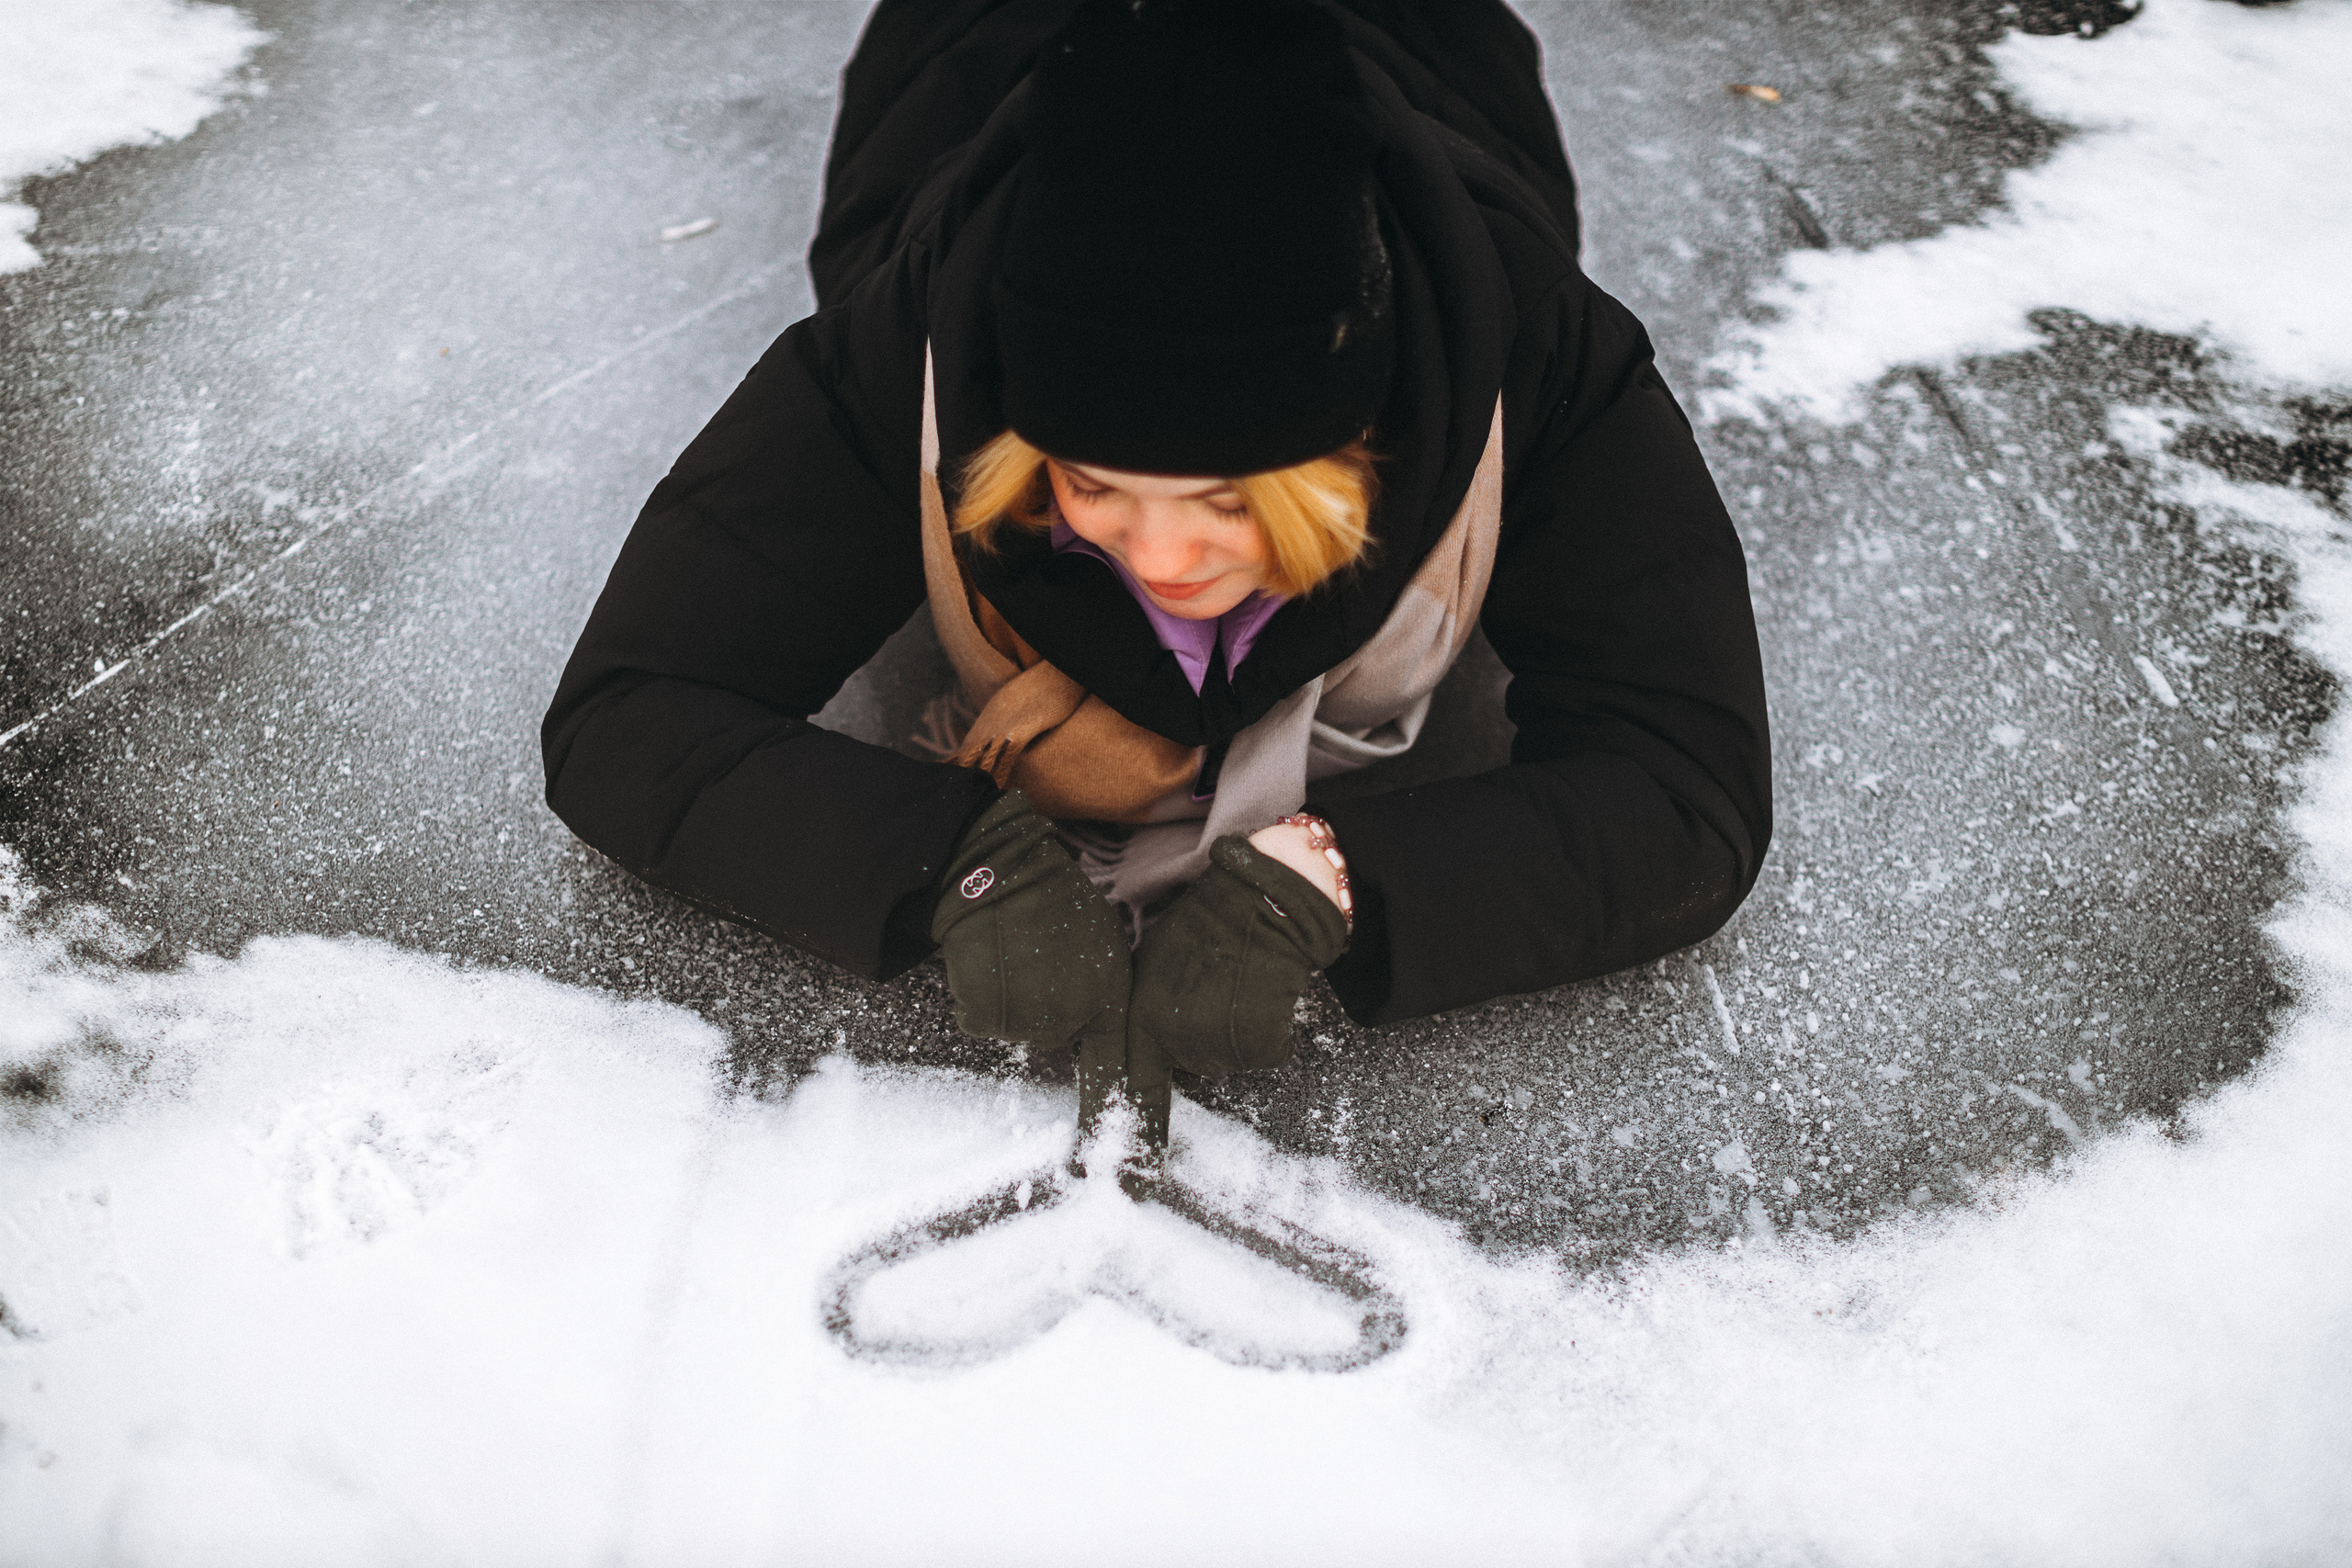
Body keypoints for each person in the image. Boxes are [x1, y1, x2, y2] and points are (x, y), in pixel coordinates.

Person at [541, 0, 1770, 1138]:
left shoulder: (1534, 342)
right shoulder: (914, 330)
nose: (1166, 560)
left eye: (1235, 502)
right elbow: (630, 714)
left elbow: (1685, 787)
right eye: (1089, 487)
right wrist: (946, 865)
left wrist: (1339, 879)